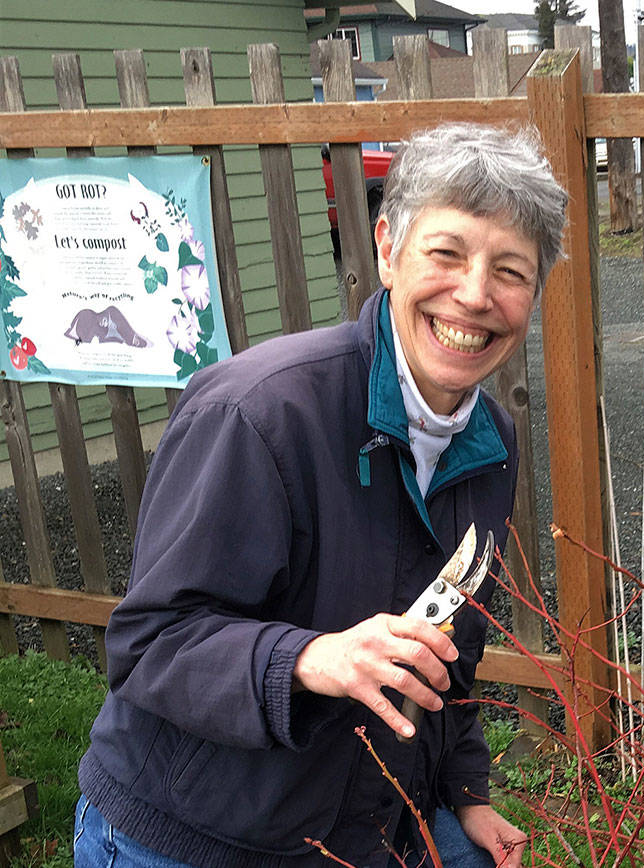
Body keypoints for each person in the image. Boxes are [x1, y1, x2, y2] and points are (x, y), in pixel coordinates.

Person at [74, 123, 567, 868]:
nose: (474, 295)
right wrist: (311, 659)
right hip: (191, 835)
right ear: (387, 251)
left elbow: (447, 654)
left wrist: (466, 791)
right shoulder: (257, 414)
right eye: (446, 253)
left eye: (510, 270)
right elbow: (148, 646)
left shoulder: (489, 442)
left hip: (353, 829)